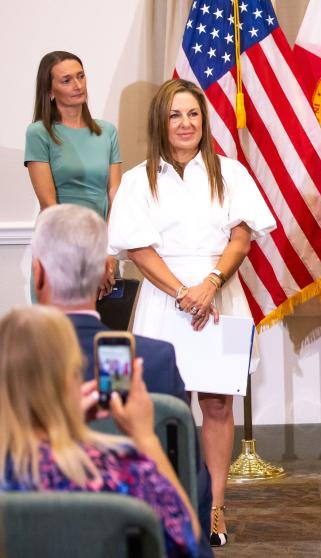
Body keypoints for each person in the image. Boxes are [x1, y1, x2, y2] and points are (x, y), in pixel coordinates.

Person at [108, 79, 276, 547]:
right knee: (166, 405)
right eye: (175, 115)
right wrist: (184, 292)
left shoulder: (231, 172)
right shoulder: (140, 179)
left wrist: (210, 285)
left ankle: (214, 508)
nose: (186, 124)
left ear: (204, 120)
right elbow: (137, 249)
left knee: (218, 403)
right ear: (161, 123)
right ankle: (168, 506)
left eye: (193, 114)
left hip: (219, 295)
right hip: (164, 302)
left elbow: (241, 236)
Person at [31, 203, 216, 558]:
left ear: (38, 274)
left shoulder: (12, 366)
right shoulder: (156, 363)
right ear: (104, 270)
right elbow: (193, 492)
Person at [0, 306, 199, 557]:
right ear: (69, 380)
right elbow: (187, 540)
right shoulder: (121, 470)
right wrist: (146, 438)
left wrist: (68, 426)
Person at [32, 204, 186, 400]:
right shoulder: (155, 359)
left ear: (38, 274)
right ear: (106, 270)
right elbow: (179, 430)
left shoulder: (13, 359)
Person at [25, 51, 121, 298]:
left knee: (99, 333)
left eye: (81, 76)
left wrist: (106, 252)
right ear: (50, 91)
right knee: (56, 334)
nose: (78, 85)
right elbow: (49, 205)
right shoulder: (39, 133)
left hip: (101, 249)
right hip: (59, 248)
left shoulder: (107, 132)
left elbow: (115, 197)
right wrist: (86, 260)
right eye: (66, 80)